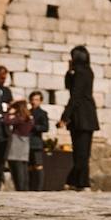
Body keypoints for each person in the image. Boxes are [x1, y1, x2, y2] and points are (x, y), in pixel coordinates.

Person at [57, 46, 99, 190]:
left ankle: (80, 182)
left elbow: (75, 96)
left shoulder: (81, 73)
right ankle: (76, 182)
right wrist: (69, 71)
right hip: (82, 116)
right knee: (80, 152)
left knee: (81, 153)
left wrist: (64, 117)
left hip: (83, 116)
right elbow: (69, 86)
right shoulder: (85, 71)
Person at [4, 98, 33, 190]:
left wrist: (9, 113)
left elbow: (6, 121)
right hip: (25, 144)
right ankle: (25, 188)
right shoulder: (29, 118)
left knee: (18, 168)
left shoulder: (20, 118)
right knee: (23, 167)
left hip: (17, 144)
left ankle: (20, 188)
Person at [28, 90, 49, 192]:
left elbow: (45, 127)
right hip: (27, 143)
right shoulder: (27, 113)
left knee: (38, 165)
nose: (34, 102)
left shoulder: (43, 113)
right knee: (29, 166)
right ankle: (30, 187)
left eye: (36, 100)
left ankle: (39, 189)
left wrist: (34, 126)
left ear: (40, 101)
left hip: (36, 142)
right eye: (32, 99)